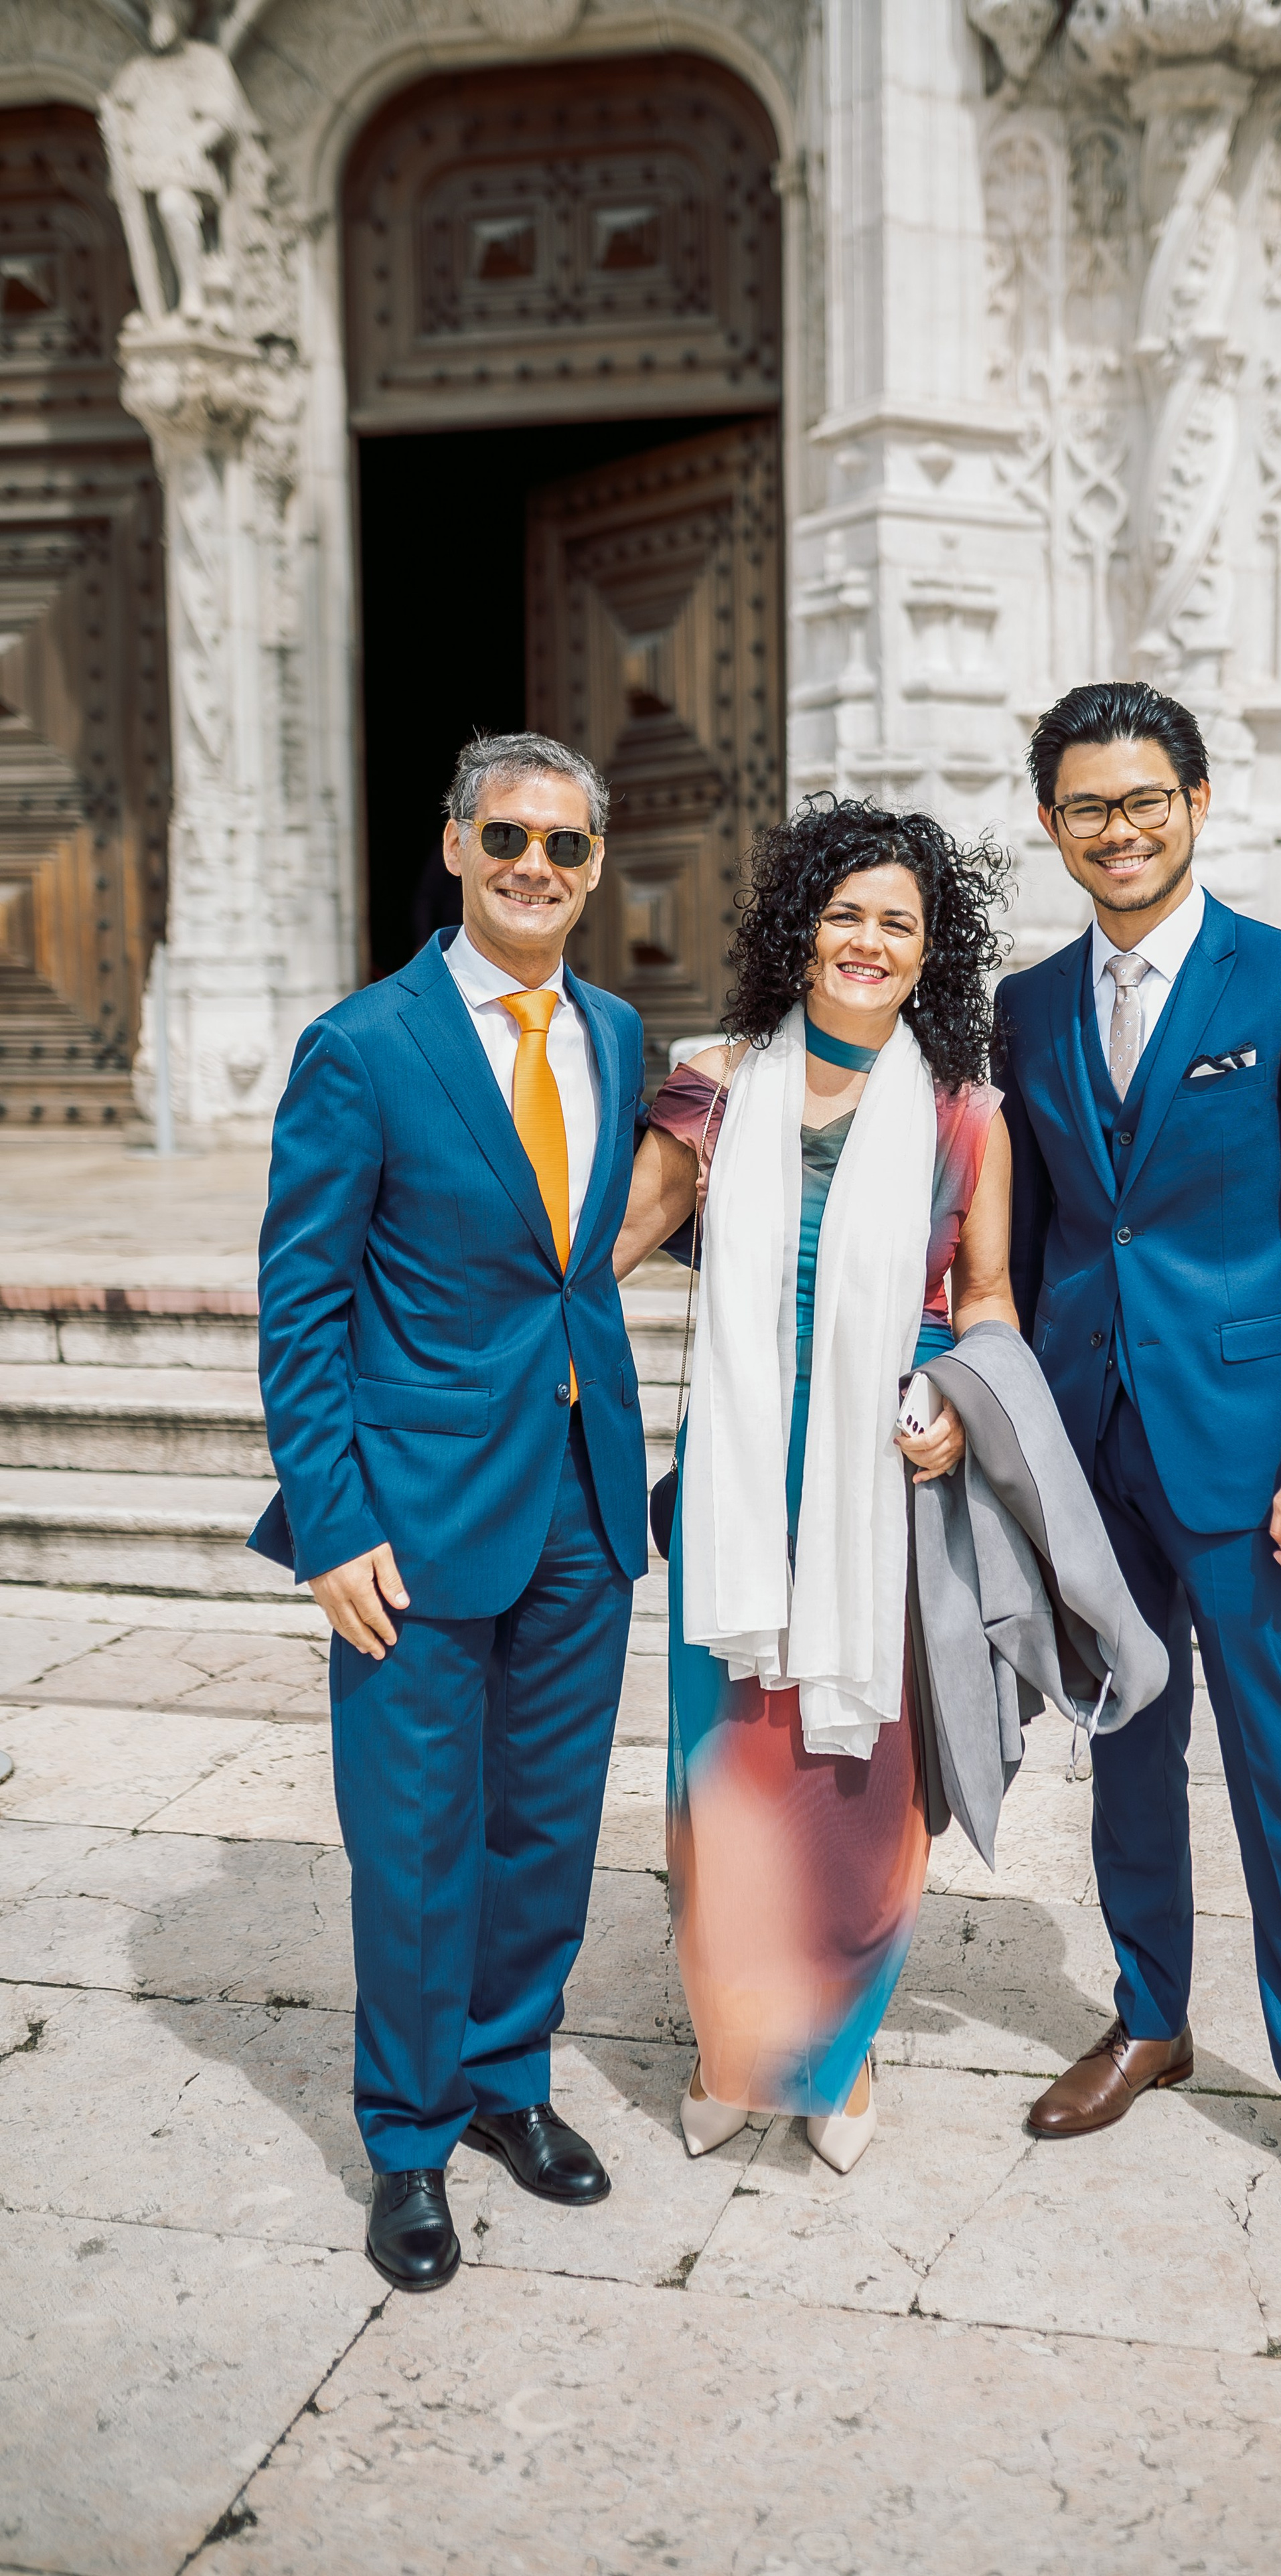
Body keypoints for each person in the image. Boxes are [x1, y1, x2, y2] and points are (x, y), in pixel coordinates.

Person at [994, 681, 1281, 2239]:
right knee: (1122, 1749)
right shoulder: (1029, 1007)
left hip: (1249, 1457)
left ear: (1198, 800)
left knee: (1280, 1764)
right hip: (1090, 1443)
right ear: (1050, 825)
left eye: (1144, 800)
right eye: (1087, 807)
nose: (1119, 829)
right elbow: (1034, 1243)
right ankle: (1149, 2016)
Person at [249, 730, 648, 2291]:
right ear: (456, 847)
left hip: (581, 1501)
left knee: (545, 1829)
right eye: (507, 840)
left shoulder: (616, 1030)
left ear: (595, 865)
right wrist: (331, 1519)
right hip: (408, 1518)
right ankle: (408, 2140)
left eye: (563, 844)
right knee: (415, 1843)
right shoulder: (365, 1042)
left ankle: (506, 2084)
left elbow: (592, 1252)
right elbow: (300, 1302)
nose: (535, 866)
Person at [616, 798, 1015, 2172]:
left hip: (881, 1488)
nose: (865, 939)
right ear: (800, 930)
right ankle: (735, 2050)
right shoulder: (716, 1080)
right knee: (725, 1780)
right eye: (843, 911)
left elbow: (991, 1304)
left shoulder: (965, 1116)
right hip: (738, 1473)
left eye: (895, 922)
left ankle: (833, 2063)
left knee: (858, 1784)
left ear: (928, 953)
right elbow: (609, 1243)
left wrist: (958, 1413)